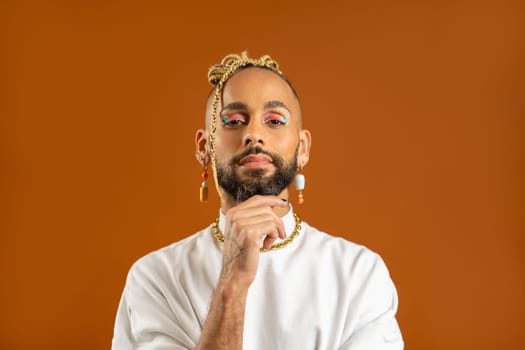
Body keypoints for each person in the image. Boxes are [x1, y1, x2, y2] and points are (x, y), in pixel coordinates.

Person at [111, 52, 404, 350]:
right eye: (234, 120)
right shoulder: (156, 278)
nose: (253, 134)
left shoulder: (359, 273)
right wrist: (232, 285)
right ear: (204, 147)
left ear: (302, 148)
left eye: (275, 121)